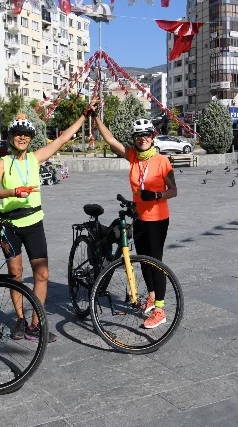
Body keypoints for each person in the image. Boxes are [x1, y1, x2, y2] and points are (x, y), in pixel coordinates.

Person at [0, 106, 96, 342]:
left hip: (34, 222)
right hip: (9, 225)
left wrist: (84, 116)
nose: (22, 138)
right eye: (18, 134)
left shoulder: (36, 159)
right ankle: (20, 320)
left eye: (26, 135)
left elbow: (63, 138)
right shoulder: (3, 163)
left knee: (42, 274)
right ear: (11, 137)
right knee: (15, 274)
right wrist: (14, 191)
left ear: (31, 139)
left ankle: (36, 324)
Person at [91, 112, 178, 329]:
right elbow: (110, 140)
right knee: (143, 261)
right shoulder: (132, 156)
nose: (142, 138)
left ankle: (160, 309)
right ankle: (151, 297)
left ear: (153, 136)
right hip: (138, 217)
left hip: (158, 218)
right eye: (138, 135)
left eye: (146, 134)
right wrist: (95, 118)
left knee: (155, 262)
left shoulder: (162, 161)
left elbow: (174, 190)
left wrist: (157, 195)